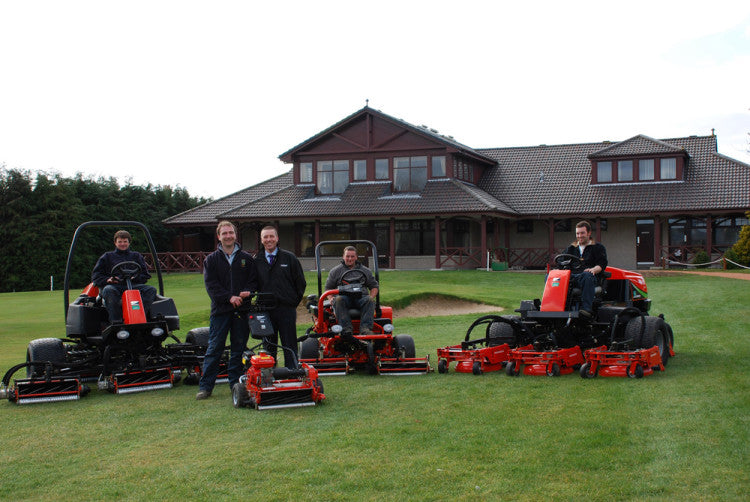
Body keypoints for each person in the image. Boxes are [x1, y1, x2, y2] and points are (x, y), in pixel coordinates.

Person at [196, 221, 258, 400]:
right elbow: (211, 286)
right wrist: (229, 297)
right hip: (221, 311)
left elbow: (253, 281)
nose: (228, 236)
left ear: (235, 235)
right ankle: (206, 387)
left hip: (242, 310)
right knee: (215, 348)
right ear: (219, 236)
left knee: (238, 349)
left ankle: (235, 384)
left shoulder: (246, 258)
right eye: (225, 233)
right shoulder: (211, 260)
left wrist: (249, 292)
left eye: (231, 233)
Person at [254, 225, 306, 369]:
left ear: (277, 238)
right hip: (265, 309)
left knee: (289, 343)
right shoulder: (256, 260)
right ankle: (268, 373)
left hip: (286, 309)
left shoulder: (289, 258)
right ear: (261, 240)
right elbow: (253, 283)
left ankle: (292, 372)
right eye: (265, 237)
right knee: (268, 344)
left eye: (271, 236)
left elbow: (300, 283)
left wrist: (292, 301)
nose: (269, 239)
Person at [92, 230, 157, 325]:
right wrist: (109, 279)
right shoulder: (107, 257)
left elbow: (145, 275)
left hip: (133, 285)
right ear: (115, 242)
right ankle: (116, 321)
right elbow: (96, 276)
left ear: (129, 242)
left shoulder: (136, 256)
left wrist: (135, 277)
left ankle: (140, 316)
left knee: (151, 290)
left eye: (125, 241)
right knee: (108, 290)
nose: (123, 244)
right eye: (120, 242)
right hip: (115, 286)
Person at [325, 246, 379, 336]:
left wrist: (371, 296)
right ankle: (346, 329)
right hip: (344, 298)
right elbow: (328, 288)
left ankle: (365, 329)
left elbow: (374, 286)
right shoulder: (335, 271)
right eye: (347, 256)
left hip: (361, 297)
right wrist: (331, 299)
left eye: (352, 256)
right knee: (338, 299)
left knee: (370, 300)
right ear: (343, 256)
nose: (350, 259)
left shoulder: (365, 270)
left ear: (356, 257)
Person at [563, 220, 608, 318]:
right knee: (550, 277)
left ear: (589, 233)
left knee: (587, 275)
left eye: (582, 233)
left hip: (589, 277)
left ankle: (586, 309)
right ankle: (553, 306)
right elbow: (562, 263)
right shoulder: (570, 249)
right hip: (572, 278)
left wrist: (594, 270)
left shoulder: (597, 247)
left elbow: (602, 263)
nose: (579, 236)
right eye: (577, 233)